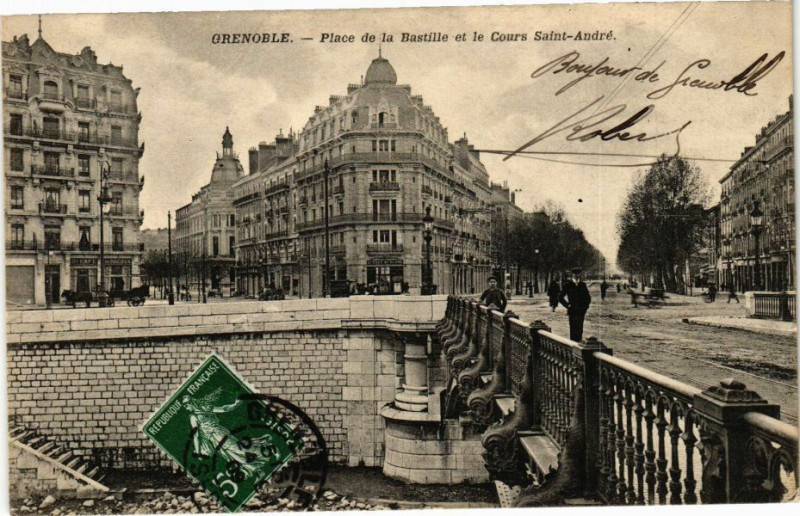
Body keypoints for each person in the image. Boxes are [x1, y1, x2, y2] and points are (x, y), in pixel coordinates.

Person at [559, 268, 592, 342]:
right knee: (573, 329)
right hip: (572, 311)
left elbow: (588, 298)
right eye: (575, 274)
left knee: (580, 328)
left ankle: (578, 346)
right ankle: (573, 345)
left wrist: (585, 307)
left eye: (578, 274)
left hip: (581, 311)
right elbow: (560, 297)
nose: (577, 276)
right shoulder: (568, 285)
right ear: (572, 275)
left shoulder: (582, 285)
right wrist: (567, 305)